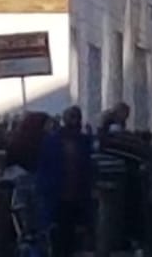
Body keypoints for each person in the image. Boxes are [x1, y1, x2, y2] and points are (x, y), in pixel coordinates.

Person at [36, 107, 93, 257]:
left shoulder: (84, 142)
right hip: (58, 195)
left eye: (76, 117)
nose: (74, 121)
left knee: (74, 238)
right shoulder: (52, 142)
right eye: (71, 117)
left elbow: (88, 168)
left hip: (77, 195)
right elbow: (45, 167)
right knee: (59, 237)